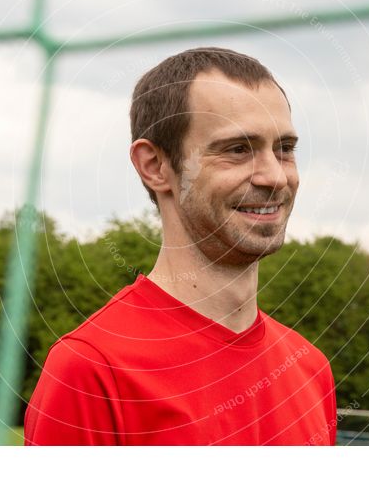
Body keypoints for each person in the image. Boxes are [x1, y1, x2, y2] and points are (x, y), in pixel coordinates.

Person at [24, 47, 337, 445]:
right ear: (154, 166)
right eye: (238, 149)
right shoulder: (92, 369)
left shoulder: (310, 371)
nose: (275, 176)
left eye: (285, 149)